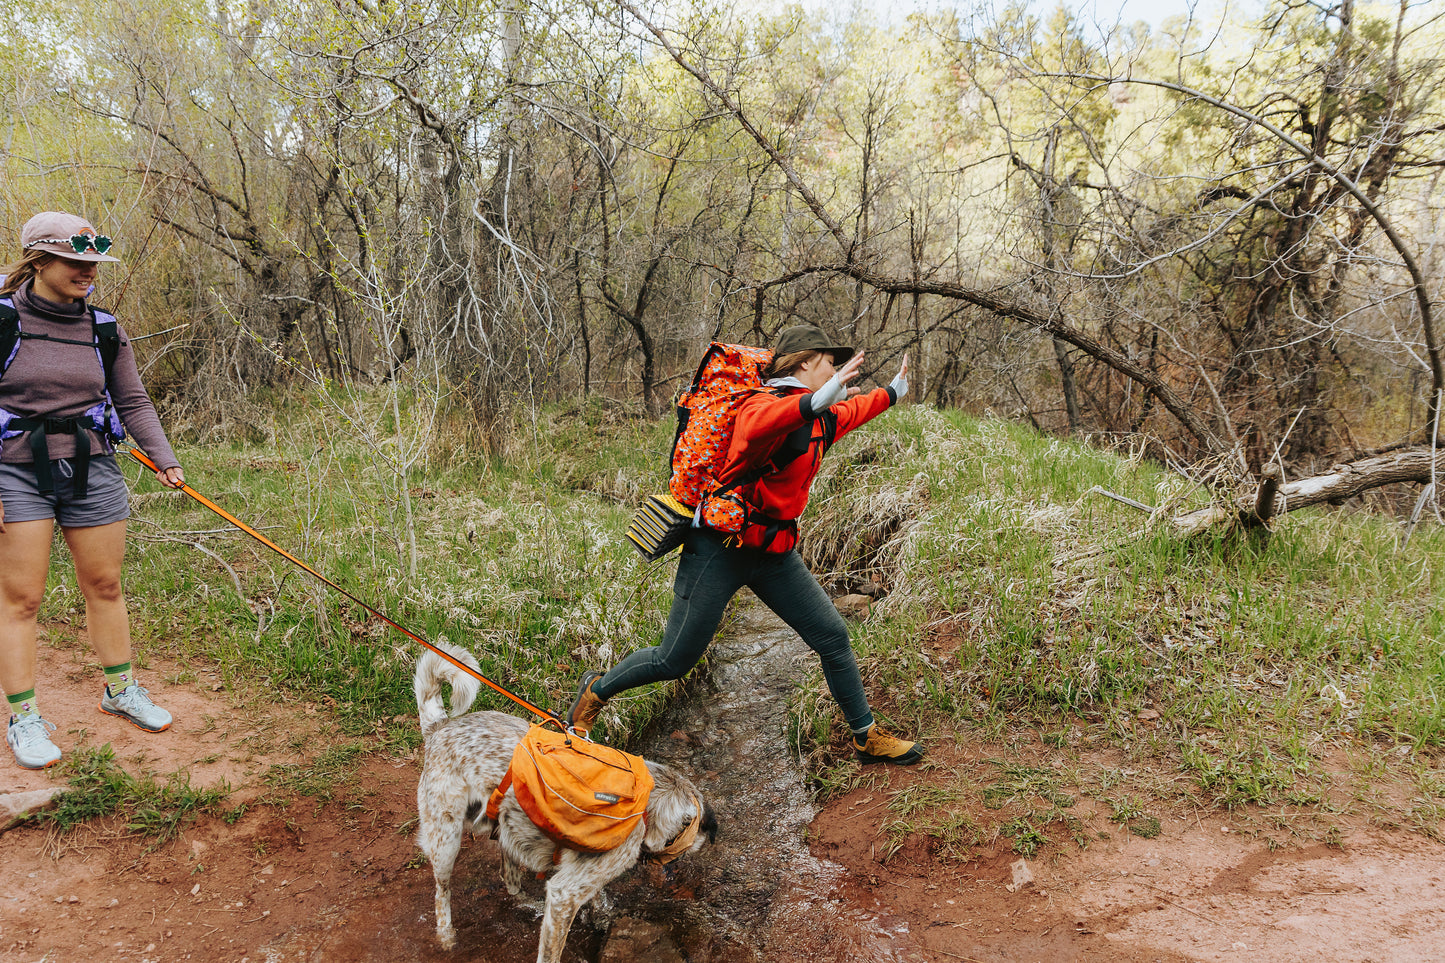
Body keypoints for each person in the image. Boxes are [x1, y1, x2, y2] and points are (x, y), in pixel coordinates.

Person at [568, 324, 923, 765]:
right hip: (718, 550)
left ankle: (865, 736)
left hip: (774, 555)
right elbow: (766, 423)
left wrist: (892, 391)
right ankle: (595, 692)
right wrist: (821, 395)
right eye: (830, 362)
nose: (835, 369)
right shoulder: (758, 406)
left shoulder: (820, 419)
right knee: (674, 659)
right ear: (806, 361)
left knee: (833, 637)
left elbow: (853, 410)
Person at [0, 211, 185, 770]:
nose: (89, 273)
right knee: (22, 598)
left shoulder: (103, 327)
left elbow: (132, 402)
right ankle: (23, 716)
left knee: (105, 584)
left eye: (94, 263)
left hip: (93, 467)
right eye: (76, 262)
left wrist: (164, 458)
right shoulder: (3, 319)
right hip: (14, 469)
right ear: (38, 261)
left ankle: (120, 690)